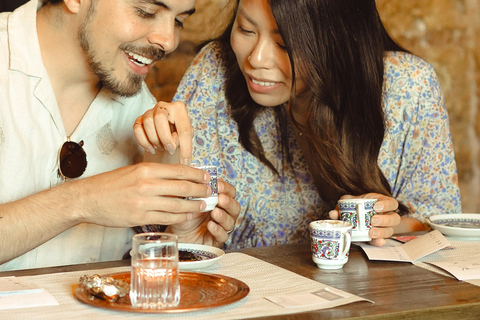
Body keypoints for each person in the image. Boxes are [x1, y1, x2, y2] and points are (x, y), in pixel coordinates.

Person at [134, 0, 461, 249]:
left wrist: (393, 226)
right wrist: (163, 168)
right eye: (246, 30)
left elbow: (443, 229)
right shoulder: (213, 72)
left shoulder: (408, 88)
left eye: (285, 44)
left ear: (337, 42)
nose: (256, 59)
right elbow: (170, 241)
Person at [0, 0, 240, 271]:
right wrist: (84, 200)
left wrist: (181, 239)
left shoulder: (145, 117)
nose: (168, 41)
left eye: (178, 21)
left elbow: (143, 293)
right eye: (146, 11)